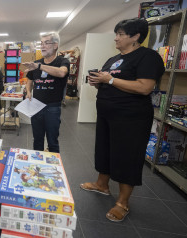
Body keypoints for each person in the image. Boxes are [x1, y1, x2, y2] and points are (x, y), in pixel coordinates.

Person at [80, 18, 164, 222]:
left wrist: (109, 79)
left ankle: (122, 203)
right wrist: (99, 82)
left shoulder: (148, 57)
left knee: (126, 157)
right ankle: (102, 184)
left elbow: (145, 87)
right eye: (116, 34)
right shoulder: (113, 59)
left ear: (135, 37)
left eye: (120, 34)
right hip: (108, 115)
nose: (116, 38)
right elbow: (111, 82)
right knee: (104, 150)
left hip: (131, 119)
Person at [23, 32, 70, 152]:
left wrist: (39, 66)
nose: (42, 46)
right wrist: (28, 91)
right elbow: (30, 79)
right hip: (36, 106)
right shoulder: (37, 63)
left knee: (52, 142)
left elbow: (61, 73)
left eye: (46, 43)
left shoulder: (62, 61)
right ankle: (37, 164)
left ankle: (53, 167)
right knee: (37, 140)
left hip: (52, 107)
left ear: (55, 45)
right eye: (41, 43)